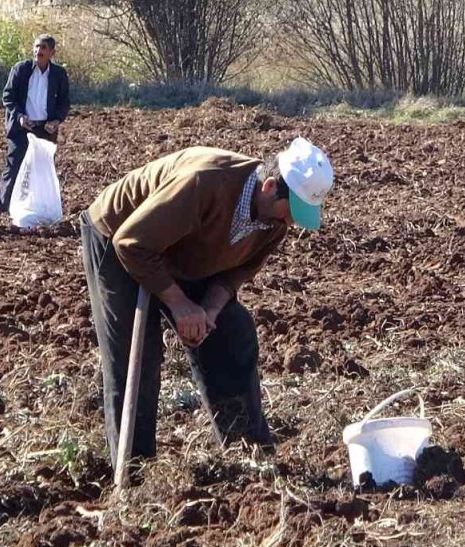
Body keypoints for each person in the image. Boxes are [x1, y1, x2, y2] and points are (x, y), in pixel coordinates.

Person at [80, 138, 336, 467]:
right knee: (137, 355)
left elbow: (236, 272)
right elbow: (131, 243)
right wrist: (180, 304)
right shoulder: (205, 182)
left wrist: (209, 311)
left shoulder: (273, 223)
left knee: (231, 334)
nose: (291, 222)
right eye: (292, 211)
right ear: (270, 187)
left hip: (193, 248)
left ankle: (249, 455)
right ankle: (135, 470)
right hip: (122, 238)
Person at [0, 34, 70, 223]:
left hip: (45, 129)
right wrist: (19, 116)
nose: (38, 51)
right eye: (36, 47)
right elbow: (8, 96)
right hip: (23, 127)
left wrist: (56, 120)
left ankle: (37, 209)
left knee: (42, 168)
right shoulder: (21, 69)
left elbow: (64, 101)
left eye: (42, 48)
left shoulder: (58, 74)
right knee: (14, 164)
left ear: (52, 52)